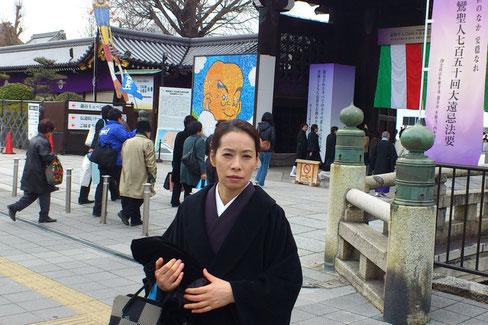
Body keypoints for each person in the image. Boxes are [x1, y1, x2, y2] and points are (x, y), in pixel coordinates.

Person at [149, 119, 302, 324]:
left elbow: (287, 281)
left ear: (257, 160)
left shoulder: (270, 215)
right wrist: (163, 280)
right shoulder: (191, 208)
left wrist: (235, 292)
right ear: (212, 157)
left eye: (246, 156)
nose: (236, 165)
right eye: (227, 155)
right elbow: (166, 257)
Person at [7, 119, 58, 223]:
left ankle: (15, 207)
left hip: (31, 171)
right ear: (48, 130)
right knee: (44, 192)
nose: (52, 134)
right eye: (52, 131)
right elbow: (46, 157)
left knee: (34, 194)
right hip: (40, 173)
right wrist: (54, 156)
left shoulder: (34, 139)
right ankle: (43, 215)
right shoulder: (43, 141)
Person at [92, 108, 136, 217]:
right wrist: (136, 131)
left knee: (101, 185)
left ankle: (97, 209)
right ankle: (126, 212)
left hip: (103, 160)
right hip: (115, 161)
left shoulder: (104, 128)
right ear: (118, 118)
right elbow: (127, 138)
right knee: (122, 186)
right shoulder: (117, 128)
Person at [118, 120, 157, 226]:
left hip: (127, 172)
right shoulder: (147, 143)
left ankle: (136, 220)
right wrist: (153, 176)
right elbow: (150, 162)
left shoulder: (127, 141)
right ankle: (125, 213)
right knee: (141, 196)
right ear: (147, 131)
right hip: (141, 173)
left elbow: (122, 157)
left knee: (130, 195)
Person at [78, 105, 112, 204]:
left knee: (90, 174)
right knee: (90, 174)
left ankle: (83, 197)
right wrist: (93, 148)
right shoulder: (103, 122)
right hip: (97, 151)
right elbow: (97, 136)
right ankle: (83, 197)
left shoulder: (101, 122)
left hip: (95, 150)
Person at [171, 115, 197, 207]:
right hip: (188, 163)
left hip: (178, 162)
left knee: (177, 184)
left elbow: (176, 150)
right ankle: (187, 202)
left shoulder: (180, 135)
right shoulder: (193, 137)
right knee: (187, 186)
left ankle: (174, 201)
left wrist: (174, 162)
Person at [180, 121, 206, 198]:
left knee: (187, 193)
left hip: (185, 169)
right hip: (193, 171)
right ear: (199, 130)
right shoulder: (200, 140)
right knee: (194, 194)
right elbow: (200, 158)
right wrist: (203, 172)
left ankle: (186, 208)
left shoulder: (187, 139)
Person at [369, 131, 398, 197]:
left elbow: (373, 155)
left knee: (378, 177)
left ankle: (377, 191)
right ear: (388, 137)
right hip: (386, 165)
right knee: (386, 177)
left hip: (378, 164)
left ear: (382, 136)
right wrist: (394, 164)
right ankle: (383, 191)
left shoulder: (377, 144)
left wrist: (372, 165)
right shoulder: (390, 145)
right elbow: (394, 156)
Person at [255, 112, 276, 186]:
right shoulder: (271, 127)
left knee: (262, 164)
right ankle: (261, 182)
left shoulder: (259, 126)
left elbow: (255, 136)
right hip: (267, 148)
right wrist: (272, 147)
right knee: (265, 165)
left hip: (260, 148)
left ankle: (257, 179)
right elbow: (273, 138)